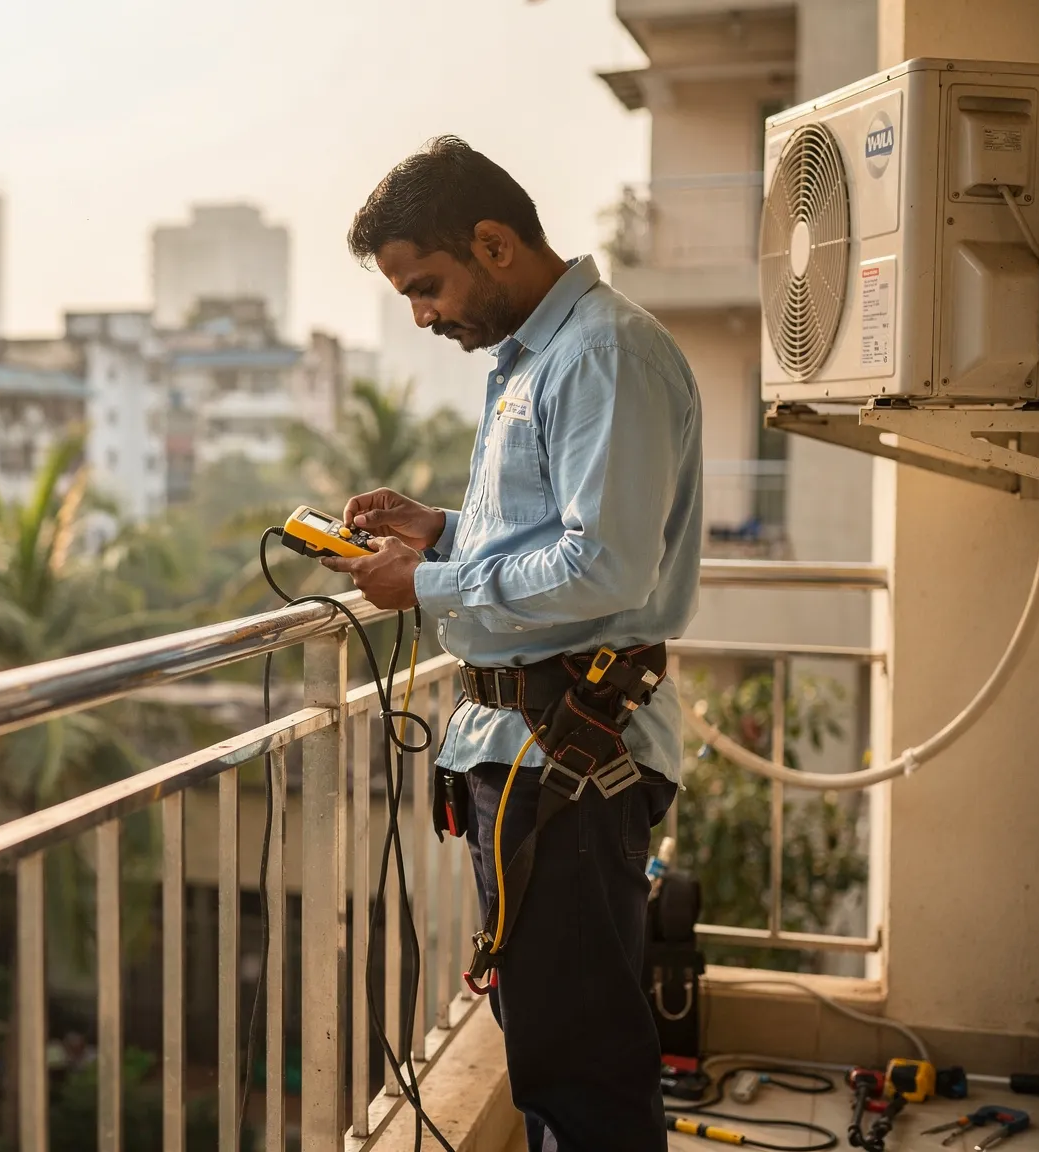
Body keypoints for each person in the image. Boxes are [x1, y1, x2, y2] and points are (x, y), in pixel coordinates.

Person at [323, 136, 703, 1152]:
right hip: (538, 751)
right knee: (551, 1047)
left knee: (576, 1069)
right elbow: (552, 539)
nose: (421, 315)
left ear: (494, 243)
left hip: (575, 752)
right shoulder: (540, 355)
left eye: (426, 285)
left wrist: (430, 582)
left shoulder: (598, 353)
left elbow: (605, 569)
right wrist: (439, 530)